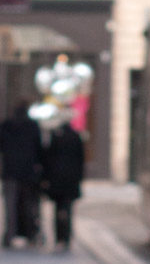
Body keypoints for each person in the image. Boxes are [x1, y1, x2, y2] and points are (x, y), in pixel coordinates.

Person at [1, 99, 44, 247]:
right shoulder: (32, 126)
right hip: (28, 173)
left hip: (11, 172)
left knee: (10, 206)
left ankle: (10, 235)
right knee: (29, 205)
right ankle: (31, 234)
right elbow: (39, 150)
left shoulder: (7, 125)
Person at [41, 120, 86, 251]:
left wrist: (46, 178)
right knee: (68, 208)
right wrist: (79, 178)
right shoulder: (76, 137)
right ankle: (66, 237)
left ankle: (58, 237)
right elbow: (80, 160)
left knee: (57, 209)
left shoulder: (56, 137)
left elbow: (48, 159)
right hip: (70, 180)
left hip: (57, 181)